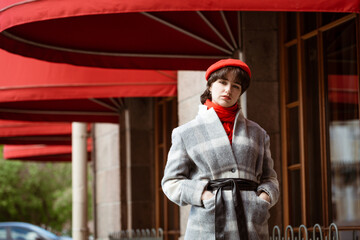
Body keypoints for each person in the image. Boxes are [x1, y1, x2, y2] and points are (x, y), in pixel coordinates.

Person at [161, 58, 279, 240]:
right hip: (207, 226)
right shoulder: (186, 133)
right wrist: (204, 195)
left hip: (251, 225)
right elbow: (171, 182)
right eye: (222, 82)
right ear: (210, 86)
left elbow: (269, 177)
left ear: (240, 92)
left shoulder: (258, 133)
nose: (228, 90)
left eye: (236, 86)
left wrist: (264, 198)